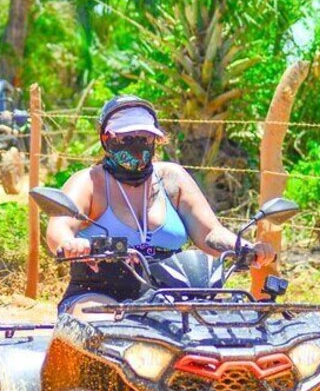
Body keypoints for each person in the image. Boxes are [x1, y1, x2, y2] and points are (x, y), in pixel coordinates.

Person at [46, 95, 275, 318]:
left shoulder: (171, 178)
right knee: (111, 330)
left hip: (174, 294)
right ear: (106, 139)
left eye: (145, 137)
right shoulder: (89, 181)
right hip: (100, 292)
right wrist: (72, 244)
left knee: (231, 326)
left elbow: (210, 233)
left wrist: (244, 247)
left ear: (155, 139)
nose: (137, 145)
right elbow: (59, 228)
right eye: (126, 138)